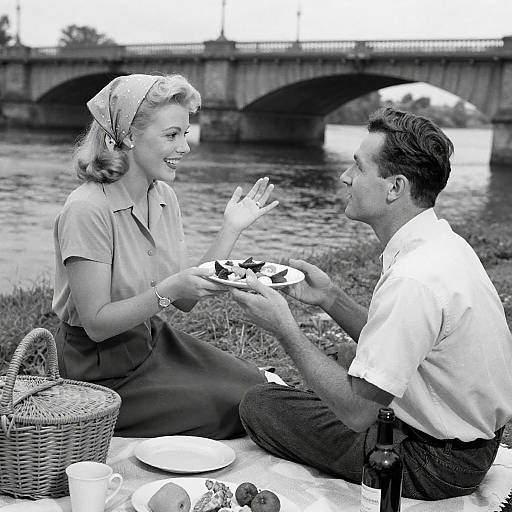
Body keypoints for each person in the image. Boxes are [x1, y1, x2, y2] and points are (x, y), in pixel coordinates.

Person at [232, 107, 512, 500]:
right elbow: (404, 340)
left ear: (394, 187)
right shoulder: (439, 243)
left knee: (259, 405)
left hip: (431, 463)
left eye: (358, 168)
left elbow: (357, 412)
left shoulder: (413, 280)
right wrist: (330, 297)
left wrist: (285, 328)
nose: (345, 177)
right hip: (467, 442)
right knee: (348, 357)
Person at [52, 73, 279, 439]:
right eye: (172, 135)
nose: (185, 147)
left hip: (151, 340)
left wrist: (231, 228)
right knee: (238, 408)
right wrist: (170, 288)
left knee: (259, 388)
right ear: (126, 136)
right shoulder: (86, 210)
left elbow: (186, 298)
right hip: (97, 370)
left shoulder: (163, 196)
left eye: (184, 134)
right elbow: (96, 324)